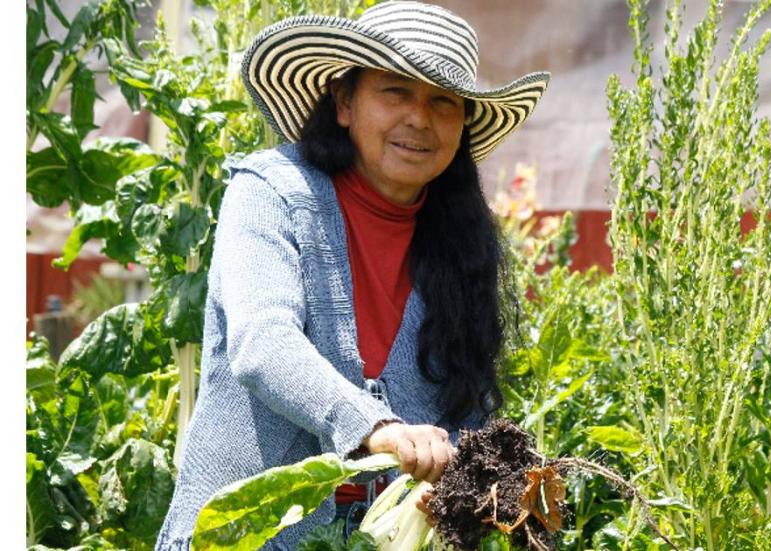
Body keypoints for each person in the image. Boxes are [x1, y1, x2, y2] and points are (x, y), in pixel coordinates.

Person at [154, 2, 550, 548]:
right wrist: (375, 427)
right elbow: (262, 342)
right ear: (343, 102)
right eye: (395, 92)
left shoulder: (460, 245)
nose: (419, 117)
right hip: (246, 537)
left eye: (443, 102)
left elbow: (461, 412)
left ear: (462, 126)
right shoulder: (271, 192)